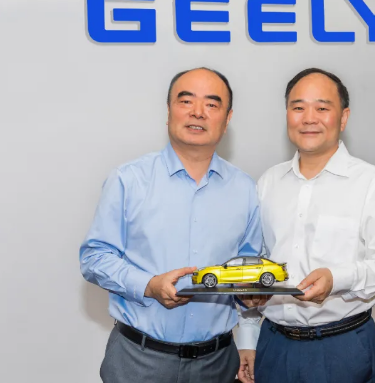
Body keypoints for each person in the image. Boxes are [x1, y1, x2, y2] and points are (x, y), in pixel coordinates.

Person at [79, 67, 263, 383]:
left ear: (227, 119)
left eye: (211, 104)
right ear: (168, 111)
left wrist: (250, 293)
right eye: (186, 101)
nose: (198, 112)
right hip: (139, 360)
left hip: (217, 363)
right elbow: (94, 258)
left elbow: (248, 266)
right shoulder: (128, 180)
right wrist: (149, 285)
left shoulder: (245, 189)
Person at [236, 68, 375, 383]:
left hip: (340, 346)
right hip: (273, 343)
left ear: (343, 118)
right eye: (298, 107)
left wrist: (337, 279)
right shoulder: (268, 182)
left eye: (322, 108)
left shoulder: (372, 183)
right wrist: (248, 333)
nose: (309, 118)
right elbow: (255, 261)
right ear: (287, 114)